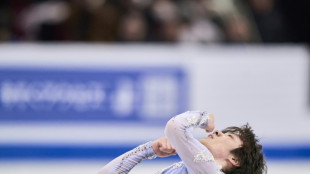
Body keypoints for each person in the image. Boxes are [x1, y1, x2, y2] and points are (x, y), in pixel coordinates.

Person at [98, 111, 267, 174]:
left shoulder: (209, 170)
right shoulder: (189, 169)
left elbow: (175, 126)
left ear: (235, 160)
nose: (218, 132)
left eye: (229, 137)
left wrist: (205, 118)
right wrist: (149, 149)